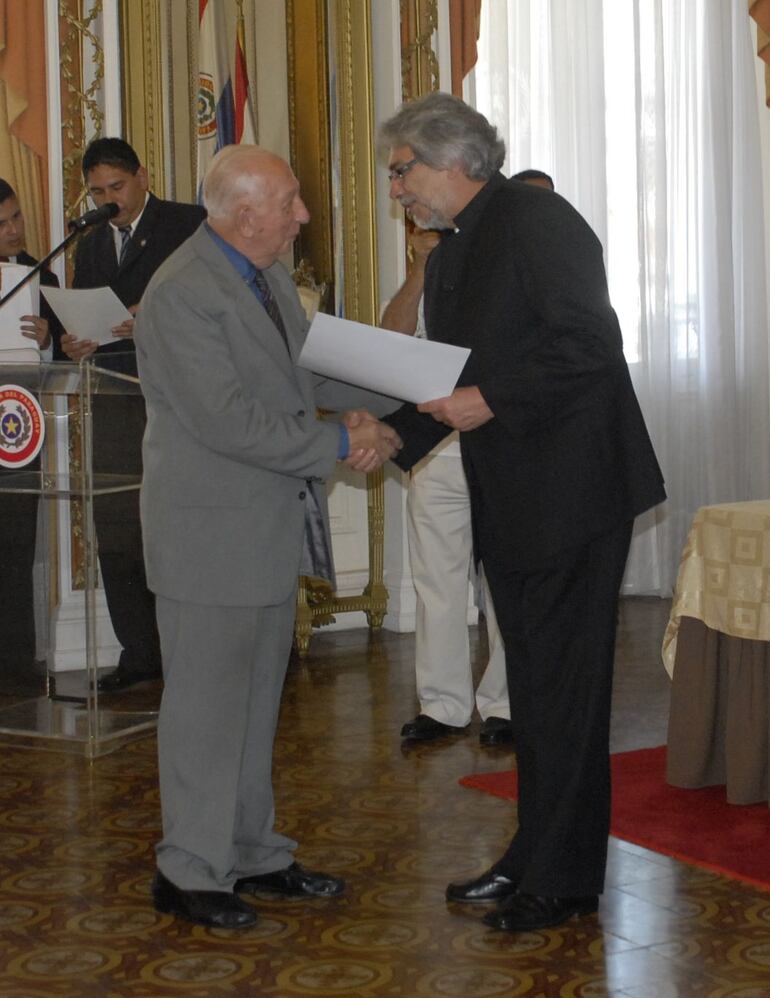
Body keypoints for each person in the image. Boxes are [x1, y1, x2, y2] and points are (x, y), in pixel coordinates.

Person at [380, 92, 665, 932]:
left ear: (453, 160)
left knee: (565, 698)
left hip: (573, 495)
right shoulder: (459, 244)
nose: (396, 190)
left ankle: (565, 882)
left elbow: (589, 345)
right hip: (517, 494)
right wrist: (389, 432)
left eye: (403, 172)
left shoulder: (536, 220)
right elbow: (447, 373)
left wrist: (489, 398)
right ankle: (529, 860)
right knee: (536, 696)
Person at [133, 144, 401, 929]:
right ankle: (188, 871)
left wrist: (405, 393)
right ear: (246, 213)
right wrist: (342, 443)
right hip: (207, 538)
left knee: (252, 707)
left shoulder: (266, 273)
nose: (302, 216)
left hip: (258, 527)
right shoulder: (181, 292)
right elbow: (229, 421)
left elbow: (299, 374)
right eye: (290, 203)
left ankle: (251, 854)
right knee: (204, 713)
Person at [60, 138, 206, 692]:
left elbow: (221, 296)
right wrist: (74, 343)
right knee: (117, 527)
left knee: (176, 526)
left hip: (177, 394)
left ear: (142, 177)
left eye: (115, 187)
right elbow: (82, 313)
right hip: (116, 395)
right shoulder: (91, 244)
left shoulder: (188, 225)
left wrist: (155, 309)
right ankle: (139, 653)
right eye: (97, 191)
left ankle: (187, 653)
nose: (108, 199)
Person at [382, 226, 511, 747]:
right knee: (436, 580)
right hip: (436, 448)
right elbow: (391, 339)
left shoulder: (506, 272)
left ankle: (506, 704)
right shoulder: (424, 271)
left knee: (505, 580)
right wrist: (419, 269)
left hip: (502, 442)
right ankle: (442, 706)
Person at [0, 179, 62, 690]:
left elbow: (63, 354)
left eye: (17, 217)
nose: (15, 230)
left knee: (17, 548)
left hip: (17, 427)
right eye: (2, 224)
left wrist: (47, 343)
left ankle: (17, 665)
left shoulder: (41, 272)